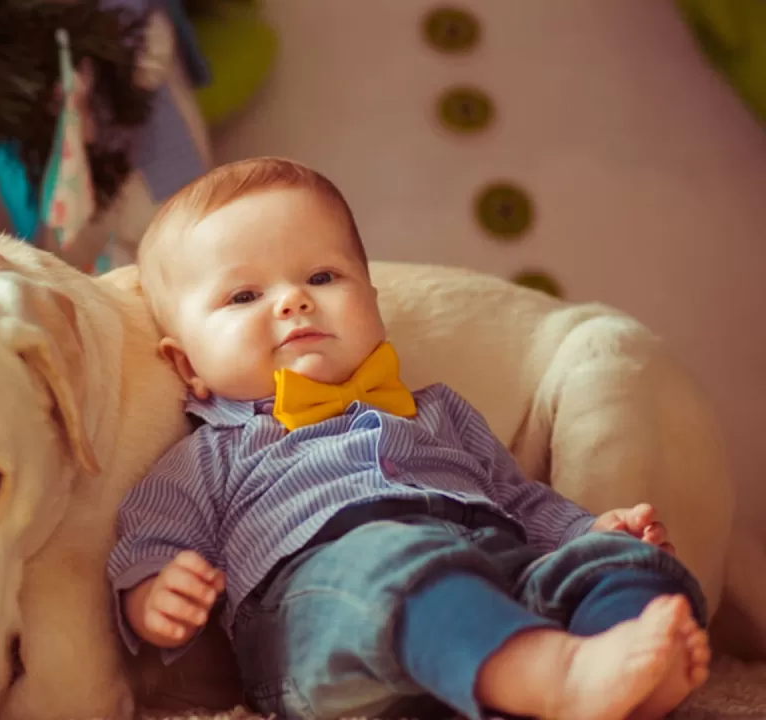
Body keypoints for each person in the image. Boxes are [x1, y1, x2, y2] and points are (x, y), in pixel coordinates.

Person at [107, 157, 710, 720]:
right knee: (392, 562)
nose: (294, 300)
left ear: (372, 304)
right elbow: (149, 542)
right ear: (187, 367)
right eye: (244, 296)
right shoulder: (209, 456)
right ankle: (559, 674)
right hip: (328, 609)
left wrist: (589, 531)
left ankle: (627, 670)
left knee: (621, 563)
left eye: (322, 275)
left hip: (497, 571)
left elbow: (520, 501)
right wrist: (155, 597)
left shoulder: (439, 410)